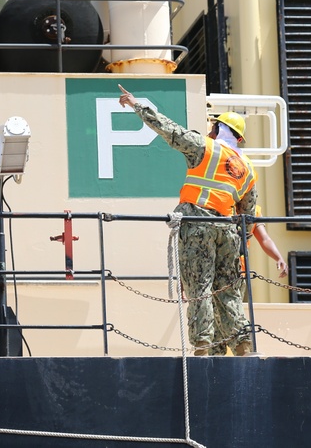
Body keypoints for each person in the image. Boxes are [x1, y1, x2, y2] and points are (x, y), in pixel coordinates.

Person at [118, 84, 257, 356]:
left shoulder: (206, 148)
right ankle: (242, 341)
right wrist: (242, 247)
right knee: (227, 288)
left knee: (199, 285)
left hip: (198, 222)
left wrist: (137, 105)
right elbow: (248, 216)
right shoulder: (248, 169)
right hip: (228, 230)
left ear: (218, 130)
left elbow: (169, 129)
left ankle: (203, 345)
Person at [211, 205, 288, 355]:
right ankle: (217, 355)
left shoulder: (253, 211)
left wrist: (278, 257)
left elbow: (264, 238)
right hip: (213, 270)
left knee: (230, 311)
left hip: (236, 272)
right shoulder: (217, 204)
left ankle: (242, 349)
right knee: (216, 316)